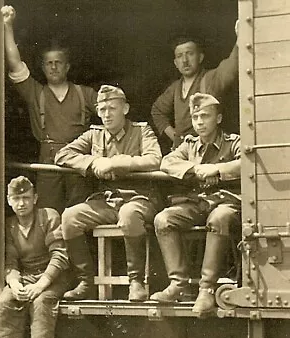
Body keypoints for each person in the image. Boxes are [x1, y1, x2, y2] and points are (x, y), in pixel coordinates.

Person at [55, 85, 162, 301]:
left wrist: (118, 163)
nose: (106, 115)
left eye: (112, 108)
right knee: (70, 218)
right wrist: (95, 161)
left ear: (125, 109)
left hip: (138, 199)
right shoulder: (94, 135)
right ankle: (86, 282)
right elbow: (62, 154)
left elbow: (155, 159)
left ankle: (136, 281)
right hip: (107, 202)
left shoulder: (142, 131)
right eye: (102, 110)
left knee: (129, 215)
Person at [150, 93, 241, 317]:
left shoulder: (234, 142)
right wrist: (195, 169)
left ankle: (206, 290)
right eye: (195, 117)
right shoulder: (189, 145)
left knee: (219, 218)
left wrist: (218, 170)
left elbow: (247, 161)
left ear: (218, 119)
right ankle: (178, 284)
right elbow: (167, 162)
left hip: (226, 202)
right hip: (198, 202)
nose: (199, 122)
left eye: (205, 116)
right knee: (164, 219)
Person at [1, 5, 98, 213]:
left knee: (79, 216)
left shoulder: (86, 94)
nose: (53, 67)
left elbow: (113, 115)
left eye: (58, 62)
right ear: (43, 67)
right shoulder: (36, 93)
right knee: (49, 214)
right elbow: (15, 63)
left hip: (78, 161)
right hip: (48, 162)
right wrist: (7, 26)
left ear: (67, 67)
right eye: (49, 63)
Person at [0, 176, 70, 338]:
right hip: (24, 277)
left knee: (42, 303)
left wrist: (42, 284)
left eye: (26, 198)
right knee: (5, 302)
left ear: (35, 198)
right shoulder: (9, 225)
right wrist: (14, 282)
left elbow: (59, 256)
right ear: (8, 201)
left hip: (52, 277)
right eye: (16, 199)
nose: (22, 203)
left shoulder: (48, 216)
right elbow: (10, 262)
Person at [151, 21, 239, 151]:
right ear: (175, 63)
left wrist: (241, 39)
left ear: (200, 57)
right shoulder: (175, 88)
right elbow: (157, 111)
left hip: (207, 151)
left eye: (190, 53)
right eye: (180, 56)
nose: (185, 60)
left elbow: (231, 66)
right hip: (183, 152)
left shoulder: (210, 78)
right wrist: (175, 136)